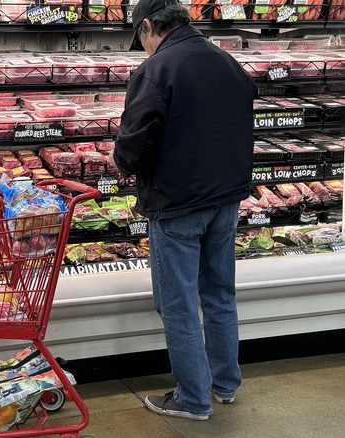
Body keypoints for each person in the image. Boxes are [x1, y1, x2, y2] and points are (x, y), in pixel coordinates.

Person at [110, 0, 257, 421]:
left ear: (151, 26)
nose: (142, 47)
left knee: (176, 304)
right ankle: (225, 384)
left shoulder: (156, 69)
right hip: (226, 198)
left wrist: (122, 163)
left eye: (140, 37)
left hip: (178, 204)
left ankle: (193, 399)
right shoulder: (227, 61)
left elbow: (134, 146)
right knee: (219, 294)